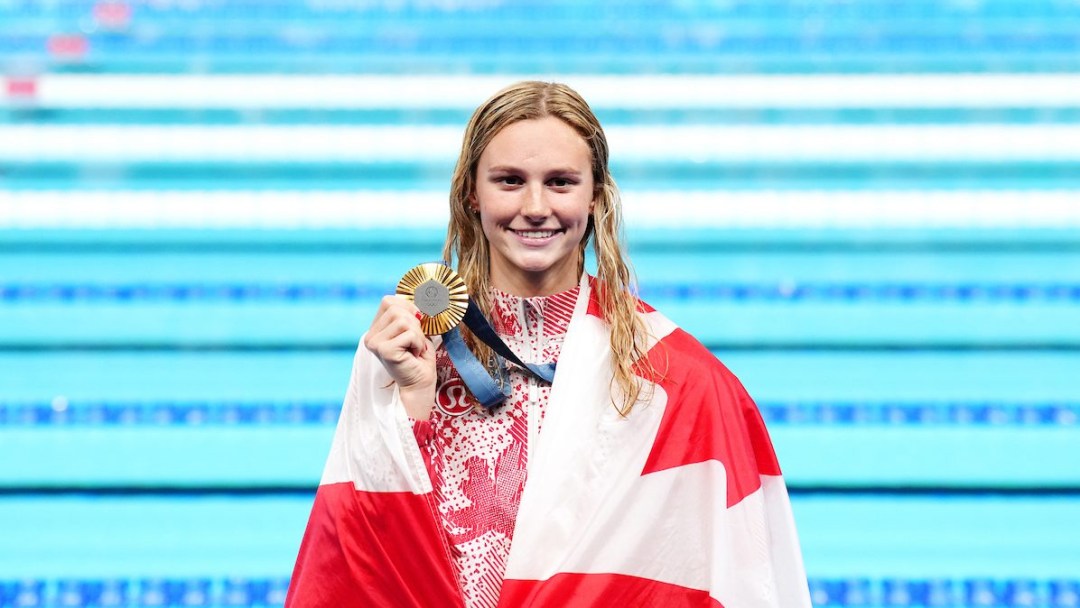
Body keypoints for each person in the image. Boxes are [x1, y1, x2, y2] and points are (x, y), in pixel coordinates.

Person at [285, 81, 812, 608]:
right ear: (472, 192)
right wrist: (412, 399)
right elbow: (359, 557)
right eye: (509, 181)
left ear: (596, 196)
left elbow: (733, 570)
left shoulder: (672, 376)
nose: (535, 207)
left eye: (560, 182)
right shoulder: (404, 346)